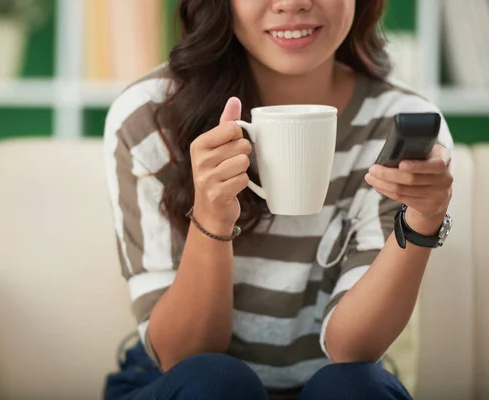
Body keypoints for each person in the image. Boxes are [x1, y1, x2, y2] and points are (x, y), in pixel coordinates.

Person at [103, 1, 454, 399]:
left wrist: (423, 222)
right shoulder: (150, 118)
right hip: (179, 383)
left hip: (333, 380)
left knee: (358, 387)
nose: (292, 3)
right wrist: (211, 219)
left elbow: (352, 350)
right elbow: (182, 354)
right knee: (214, 382)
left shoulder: (398, 124)